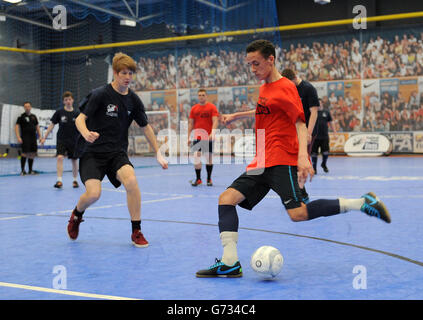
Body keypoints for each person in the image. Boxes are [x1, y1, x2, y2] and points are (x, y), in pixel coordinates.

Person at [196, 39, 391, 278]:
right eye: (249, 65)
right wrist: (239, 115)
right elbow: (266, 109)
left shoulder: (286, 87)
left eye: (256, 63)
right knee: (226, 199)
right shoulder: (264, 87)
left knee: (298, 213)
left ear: (271, 59)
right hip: (261, 162)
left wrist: (303, 158)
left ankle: (363, 203)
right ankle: (230, 262)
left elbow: (299, 122)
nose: (253, 69)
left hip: (280, 160)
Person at [67, 52, 168, 248]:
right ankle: (77, 214)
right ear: (115, 73)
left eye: (131, 73)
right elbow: (80, 119)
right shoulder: (100, 94)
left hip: (116, 153)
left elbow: (145, 127)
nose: (128, 77)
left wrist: (158, 151)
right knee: (94, 194)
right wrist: (86, 133)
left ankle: (136, 230)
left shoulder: (134, 100)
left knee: (131, 180)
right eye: (124, 73)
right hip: (93, 153)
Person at [281, 68, 319, 204]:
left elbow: (314, 112)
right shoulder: (288, 89)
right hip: (293, 132)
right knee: (292, 163)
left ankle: (302, 194)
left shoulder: (308, 89)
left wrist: (308, 133)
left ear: (294, 78)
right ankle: (299, 193)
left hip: (306, 131)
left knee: (302, 163)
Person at [40, 91, 80, 188]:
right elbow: (52, 125)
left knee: (74, 160)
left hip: (74, 140)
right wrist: (44, 137)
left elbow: (82, 126)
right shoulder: (59, 112)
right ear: (63, 102)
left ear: (72, 100)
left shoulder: (77, 113)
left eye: (69, 99)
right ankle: (59, 181)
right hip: (62, 139)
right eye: (66, 100)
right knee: (59, 157)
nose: (68, 101)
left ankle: (75, 180)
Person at [188, 88, 219, 186]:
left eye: (203, 95)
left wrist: (212, 133)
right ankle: (198, 179)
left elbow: (215, 121)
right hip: (197, 137)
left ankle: (209, 179)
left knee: (208, 158)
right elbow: (191, 124)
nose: (201, 97)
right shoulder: (194, 109)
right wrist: (188, 137)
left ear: (206, 96)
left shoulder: (212, 107)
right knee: (196, 156)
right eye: (199, 95)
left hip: (208, 137)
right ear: (198, 96)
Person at [15, 101, 42, 175]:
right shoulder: (21, 117)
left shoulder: (34, 116)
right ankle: (23, 170)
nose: (27, 108)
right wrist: (18, 137)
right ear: (24, 108)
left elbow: (37, 127)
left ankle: (30, 170)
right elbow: (16, 127)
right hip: (25, 137)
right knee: (24, 153)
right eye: (25, 106)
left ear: (30, 107)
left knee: (32, 153)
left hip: (33, 137)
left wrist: (40, 136)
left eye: (28, 106)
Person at [311, 98, 337, 174]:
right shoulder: (312, 112)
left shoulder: (326, 112)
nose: (318, 104)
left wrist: (335, 132)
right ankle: (314, 168)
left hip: (324, 137)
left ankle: (324, 164)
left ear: (322, 103)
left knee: (326, 152)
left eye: (319, 103)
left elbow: (331, 122)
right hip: (314, 137)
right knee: (314, 153)